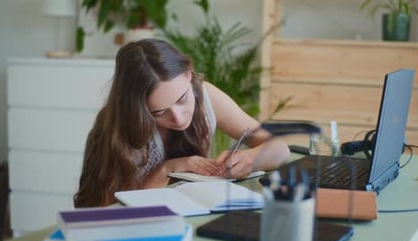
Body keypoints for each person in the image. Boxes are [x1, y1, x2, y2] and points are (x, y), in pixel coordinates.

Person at [73, 39, 290, 208]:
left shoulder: (206, 96)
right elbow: (107, 216)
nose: (177, 118)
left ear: (188, 74)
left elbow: (281, 149)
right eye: (158, 112)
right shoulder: (117, 126)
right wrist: (166, 169)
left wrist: (250, 159)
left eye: (182, 100)